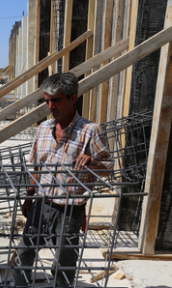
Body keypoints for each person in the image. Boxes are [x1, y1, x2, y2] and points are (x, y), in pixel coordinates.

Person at [12, 72, 114, 287]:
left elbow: (108, 169)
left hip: (70, 209)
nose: (50, 107)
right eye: (47, 101)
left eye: (56, 100)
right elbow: (36, 168)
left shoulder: (90, 131)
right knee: (24, 252)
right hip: (42, 204)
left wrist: (91, 161)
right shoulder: (43, 129)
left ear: (73, 98)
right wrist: (29, 197)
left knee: (64, 259)